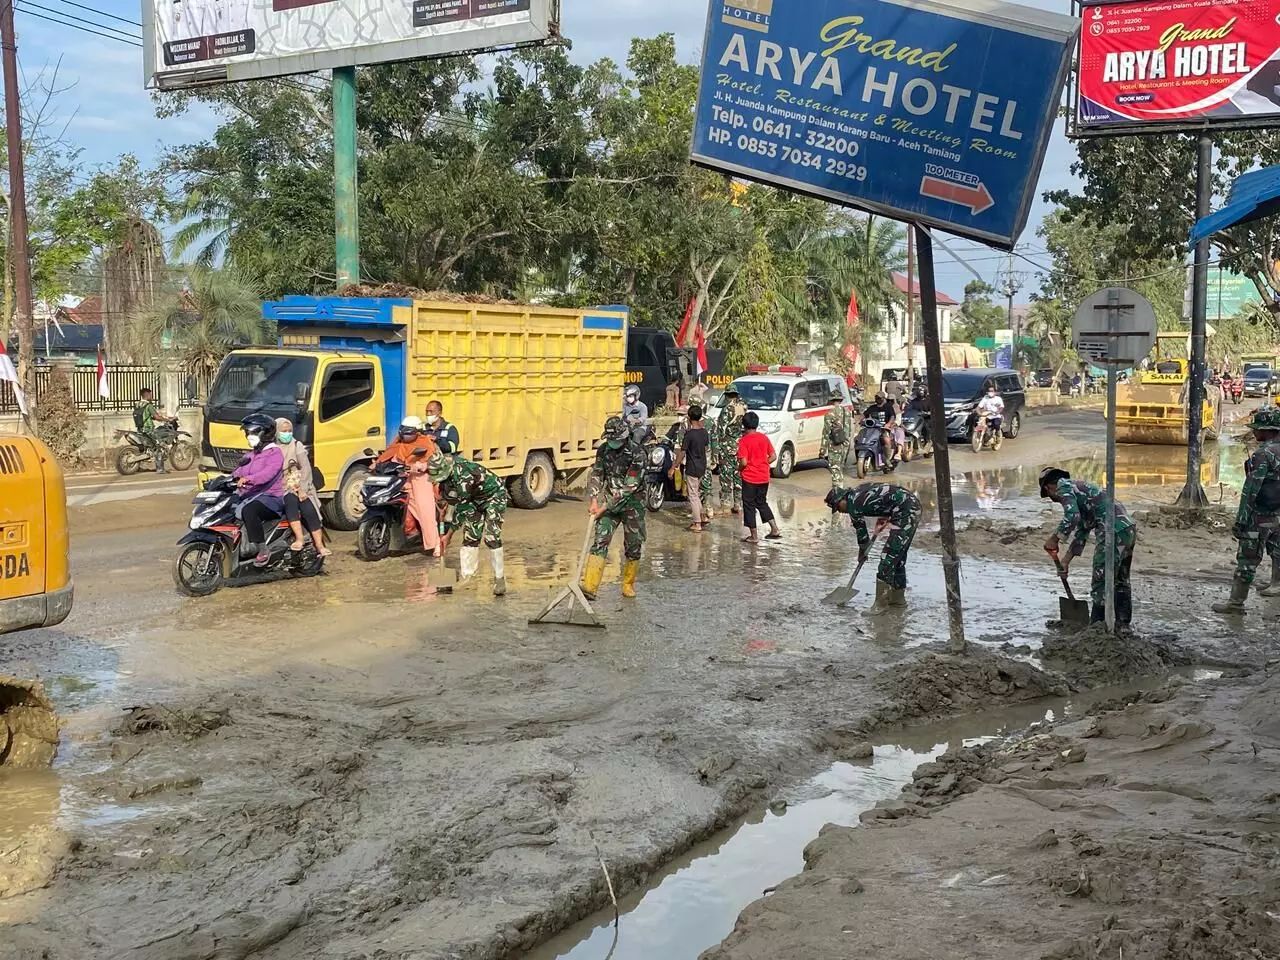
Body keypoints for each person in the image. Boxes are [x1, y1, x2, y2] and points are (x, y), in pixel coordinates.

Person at [1040, 466, 1137, 629]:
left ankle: (1096, 627)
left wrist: (1054, 539)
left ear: (1048, 488)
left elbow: (1072, 517)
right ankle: (1123, 625)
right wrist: (1065, 561)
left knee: (1100, 580)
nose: (1056, 500)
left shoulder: (1063, 486)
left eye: (1050, 496)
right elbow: (1082, 531)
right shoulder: (1082, 492)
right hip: (1127, 530)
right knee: (1121, 580)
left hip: (1111, 532)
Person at [1214, 408, 1280, 614]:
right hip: (1278, 515)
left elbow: (1251, 490)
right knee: (1277, 551)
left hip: (1259, 515)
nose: (1254, 432)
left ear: (1268, 430)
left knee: (1247, 560)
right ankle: (1277, 585)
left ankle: (1235, 604)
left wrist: (1242, 520)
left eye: (1257, 429)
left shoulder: (1263, 455)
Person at [825, 483, 922, 614]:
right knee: (898, 558)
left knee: (887, 559)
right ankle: (898, 600)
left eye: (838, 507)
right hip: (908, 506)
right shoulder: (858, 492)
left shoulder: (853, 503)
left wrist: (862, 552)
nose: (840, 511)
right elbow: (883, 500)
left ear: (842, 499)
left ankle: (880, 605)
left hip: (905, 512)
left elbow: (862, 535)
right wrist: (882, 520)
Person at [427, 452, 510, 596]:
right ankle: (468, 577)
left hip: (494, 496)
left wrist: (448, 535)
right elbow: (452, 500)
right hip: (473, 499)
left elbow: (462, 510)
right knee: (471, 536)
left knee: (491, 537)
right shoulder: (447, 477)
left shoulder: (463, 477)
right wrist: (445, 510)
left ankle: (499, 579)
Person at [582, 416, 646, 600]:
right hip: (608, 505)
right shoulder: (603, 450)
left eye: (615, 439)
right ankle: (589, 587)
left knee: (633, 546)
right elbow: (597, 474)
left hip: (632, 505)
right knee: (600, 540)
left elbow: (629, 487)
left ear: (624, 436)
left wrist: (604, 507)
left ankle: (628, 584)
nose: (612, 443)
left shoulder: (638, 454)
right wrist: (593, 499)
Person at [375, 416, 440, 554]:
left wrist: (420, 466)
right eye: (403, 432)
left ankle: (435, 544)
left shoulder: (426, 443)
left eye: (409, 432)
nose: (405, 436)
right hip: (402, 478)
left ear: (418, 432)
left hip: (420, 479)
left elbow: (432, 461)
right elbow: (391, 456)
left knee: (425, 512)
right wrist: (379, 464)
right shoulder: (399, 443)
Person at [232, 413, 285, 566]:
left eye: (253, 432)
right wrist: (226, 480)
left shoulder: (275, 453)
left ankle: (262, 549)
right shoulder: (251, 454)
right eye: (247, 432)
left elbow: (267, 474)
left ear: (265, 433)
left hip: (270, 498)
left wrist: (248, 479)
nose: (249, 436)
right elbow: (238, 471)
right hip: (249, 496)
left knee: (249, 510)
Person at [276, 418, 329, 557]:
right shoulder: (273, 449)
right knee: (291, 502)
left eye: (289, 431)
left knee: (308, 507)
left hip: (301, 483)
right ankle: (299, 538)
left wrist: (302, 489)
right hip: (283, 487)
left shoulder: (296, 445)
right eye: (284, 431)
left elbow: (306, 468)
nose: (287, 433)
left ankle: (319, 545)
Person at [737, 411, 782, 543]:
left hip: (750, 478)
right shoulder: (764, 438)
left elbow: (743, 462)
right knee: (762, 503)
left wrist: (739, 469)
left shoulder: (743, 441)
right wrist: (762, 463)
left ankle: (754, 536)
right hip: (763, 477)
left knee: (749, 505)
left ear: (744, 425)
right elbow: (773, 456)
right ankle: (775, 529)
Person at [672, 403, 711, 531]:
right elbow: (706, 447)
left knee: (692, 496)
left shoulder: (688, 435)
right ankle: (703, 517)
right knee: (696, 493)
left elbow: (682, 452)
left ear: (689, 418)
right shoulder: (704, 433)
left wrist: (674, 466)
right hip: (702, 466)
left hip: (692, 467)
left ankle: (697, 523)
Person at [717, 386, 747, 514]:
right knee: (738, 475)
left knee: (726, 476)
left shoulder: (726, 410)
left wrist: (717, 446)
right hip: (740, 445)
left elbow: (721, 430)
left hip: (727, 446)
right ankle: (738, 504)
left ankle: (726, 504)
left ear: (727, 395)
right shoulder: (743, 408)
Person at [134, 386, 176, 473]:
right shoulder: (148, 405)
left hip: (140, 429)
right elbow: (157, 417)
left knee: (153, 445)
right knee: (160, 445)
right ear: (147, 395)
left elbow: (147, 416)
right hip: (149, 430)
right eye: (151, 395)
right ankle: (160, 469)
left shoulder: (138, 404)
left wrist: (163, 417)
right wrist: (167, 420)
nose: (152, 396)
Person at [820, 387, 852, 486]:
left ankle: (837, 489)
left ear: (831, 400)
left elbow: (826, 432)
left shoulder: (829, 414)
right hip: (845, 443)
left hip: (834, 444)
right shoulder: (847, 412)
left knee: (834, 468)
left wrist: (822, 449)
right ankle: (841, 486)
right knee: (840, 467)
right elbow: (849, 429)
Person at [864, 392, 898, 464]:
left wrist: (888, 424)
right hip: (872, 429)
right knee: (858, 439)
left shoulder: (888, 407)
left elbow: (892, 417)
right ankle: (861, 456)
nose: (877, 399)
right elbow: (864, 415)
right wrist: (860, 421)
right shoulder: (872, 408)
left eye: (879, 398)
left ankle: (887, 459)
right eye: (876, 398)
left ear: (883, 398)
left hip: (883, 429)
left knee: (886, 440)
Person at [905, 383, 932, 449]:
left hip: (926, 419)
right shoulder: (914, 401)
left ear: (925, 391)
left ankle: (928, 441)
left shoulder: (929, 400)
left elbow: (933, 410)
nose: (920, 392)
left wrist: (927, 413)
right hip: (916, 419)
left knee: (926, 427)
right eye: (919, 390)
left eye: (922, 390)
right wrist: (904, 410)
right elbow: (909, 408)